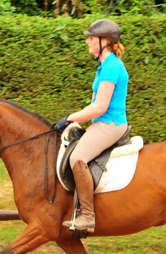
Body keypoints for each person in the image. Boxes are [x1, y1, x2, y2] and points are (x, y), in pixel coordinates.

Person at [55, 19, 129, 233]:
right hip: (101, 122)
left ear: (104, 42)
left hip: (110, 124)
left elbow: (100, 107)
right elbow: (93, 104)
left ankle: (87, 216)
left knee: (78, 158)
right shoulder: (103, 66)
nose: (87, 41)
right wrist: (74, 118)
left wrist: (70, 118)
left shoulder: (112, 67)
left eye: (90, 38)